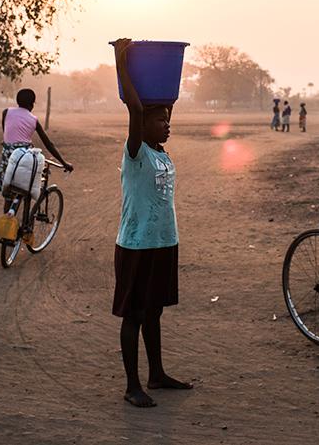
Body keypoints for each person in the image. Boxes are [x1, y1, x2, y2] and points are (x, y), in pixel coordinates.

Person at [111, 38, 192, 407]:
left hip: (163, 242)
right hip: (136, 245)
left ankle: (156, 374)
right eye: (159, 120)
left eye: (167, 119)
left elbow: (162, 104)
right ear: (141, 124)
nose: (166, 125)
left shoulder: (161, 152)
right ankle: (132, 386)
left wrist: (165, 88)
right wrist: (121, 60)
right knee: (135, 314)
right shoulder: (136, 152)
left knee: (155, 310)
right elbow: (133, 106)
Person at [0, 89, 73, 210]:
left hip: (8, 156)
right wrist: (64, 163)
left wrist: (9, 143)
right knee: (31, 183)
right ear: (32, 104)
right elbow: (48, 144)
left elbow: (6, 132)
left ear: (17, 101)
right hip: (25, 157)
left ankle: (8, 216)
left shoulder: (6, 112)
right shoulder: (34, 120)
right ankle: (27, 219)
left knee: (9, 193)